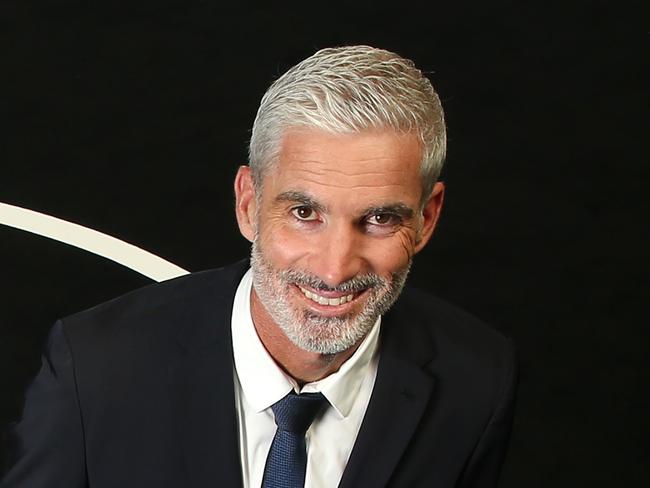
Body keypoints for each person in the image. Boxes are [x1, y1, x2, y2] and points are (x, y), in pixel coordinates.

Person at [1, 45, 517, 488]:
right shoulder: (94, 370)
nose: (335, 269)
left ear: (427, 219)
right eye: (304, 213)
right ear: (248, 204)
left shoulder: (476, 381)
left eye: (380, 219)